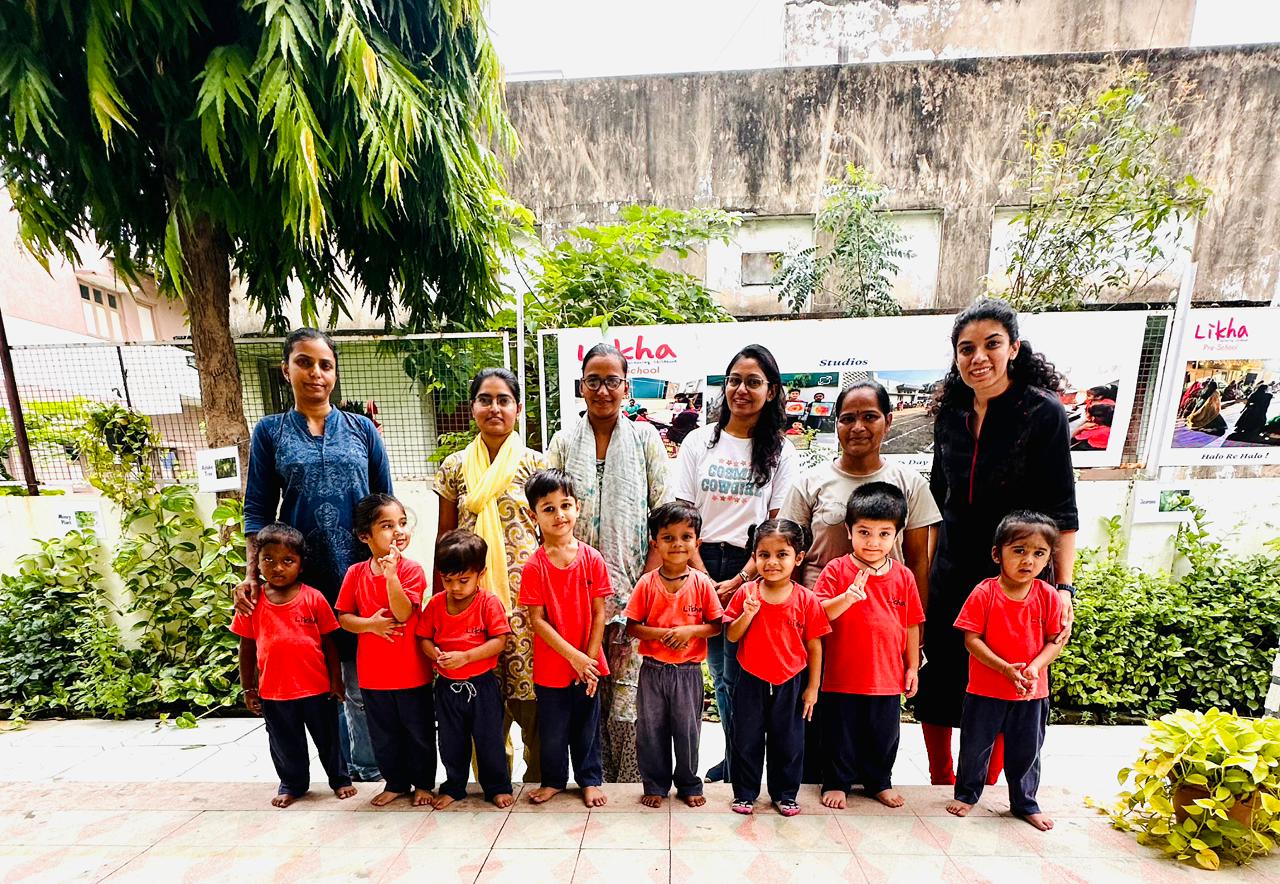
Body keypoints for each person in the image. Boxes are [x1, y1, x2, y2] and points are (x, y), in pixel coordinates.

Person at [915, 298, 1078, 788]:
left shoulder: (1042, 412)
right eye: (966, 349)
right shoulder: (950, 413)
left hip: (1017, 573)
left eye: (991, 344)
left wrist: (1063, 589)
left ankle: (985, 782)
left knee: (1008, 674)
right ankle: (941, 776)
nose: (978, 357)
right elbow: (938, 499)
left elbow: (1063, 510)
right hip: (953, 567)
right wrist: (925, 576)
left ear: (1014, 348)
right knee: (941, 673)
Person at [239, 328, 391, 783]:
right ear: (286, 370)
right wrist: (254, 574)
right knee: (319, 680)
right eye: (304, 362)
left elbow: (384, 503)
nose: (315, 373)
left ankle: (369, 767)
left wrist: (389, 567)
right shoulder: (270, 432)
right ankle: (337, 770)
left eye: (325, 364)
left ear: (335, 372)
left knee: (362, 679)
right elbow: (257, 510)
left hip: (357, 572)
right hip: (299, 578)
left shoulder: (362, 429)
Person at [670, 344, 799, 783]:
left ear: (771, 390)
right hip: (702, 560)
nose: (741, 390)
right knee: (720, 673)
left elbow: (777, 524)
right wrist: (705, 578)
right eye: (734, 381)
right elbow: (683, 515)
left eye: (753, 382)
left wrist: (744, 577)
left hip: (755, 563)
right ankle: (735, 756)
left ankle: (744, 758)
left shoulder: (781, 451)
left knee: (744, 671)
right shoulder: (699, 441)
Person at [546, 343, 668, 784]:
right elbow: (545, 510)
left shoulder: (645, 439)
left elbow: (663, 515)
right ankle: (590, 779)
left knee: (628, 693)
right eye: (593, 381)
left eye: (611, 381)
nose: (602, 390)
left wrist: (645, 587)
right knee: (584, 685)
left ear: (626, 386)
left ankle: (629, 782)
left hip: (632, 588)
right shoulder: (563, 442)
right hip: (573, 596)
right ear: (581, 386)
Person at [435, 367, 545, 783]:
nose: (494, 408)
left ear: (518, 408)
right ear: (473, 407)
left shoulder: (536, 464)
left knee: (533, 703)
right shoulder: (455, 467)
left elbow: (552, 535)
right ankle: (492, 783)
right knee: (481, 701)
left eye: (504, 400)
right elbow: (445, 539)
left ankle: (539, 784)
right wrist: (441, 605)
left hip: (526, 605)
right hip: (471, 607)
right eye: (485, 399)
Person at [946, 511, 1068, 832]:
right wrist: (1004, 668)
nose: (1028, 560)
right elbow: (972, 640)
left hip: (1031, 693)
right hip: (984, 691)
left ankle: (1025, 803)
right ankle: (967, 794)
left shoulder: (1048, 596)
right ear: (997, 554)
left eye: (1039, 553)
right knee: (975, 748)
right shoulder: (985, 593)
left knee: (1027, 752)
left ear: (1048, 559)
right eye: (1019, 550)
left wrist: (1034, 667)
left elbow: (1055, 641)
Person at [815, 484, 923, 810]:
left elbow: (911, 624)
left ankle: (879, 782)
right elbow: (818, 613)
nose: (873, 542)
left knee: (884, 735)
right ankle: (837, 782)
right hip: (841, 675)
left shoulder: (904, 576)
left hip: (887, 677)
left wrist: (913, 667)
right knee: (839, 733)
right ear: (849, 531)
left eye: (883, 534)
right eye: (864, 532)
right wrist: (847, 597)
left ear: (896, 535)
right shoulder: (837, 570)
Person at [232, 523, 355, 808]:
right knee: (285, 743)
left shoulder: (313, 598)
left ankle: (340, 779)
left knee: (329, 739)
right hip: (274, 692)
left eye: (287, 560)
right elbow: (246, 648)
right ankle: (292, 784)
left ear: (301, 565)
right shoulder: (253, 602)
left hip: (317, 689)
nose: (277, 567)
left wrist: (337, 681)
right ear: (257, 562)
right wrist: (249, 688)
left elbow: (329, 643)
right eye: (268, 559)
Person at [781, 380, 940, 591]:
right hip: (821, 606)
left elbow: (917, 561)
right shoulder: (808, 484)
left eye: (869, 417)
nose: (857, 427)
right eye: (847, 419)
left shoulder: (911, 484)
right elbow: (789, 556)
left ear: (888, 421)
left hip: (885, 607)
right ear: (837, 424)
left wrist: (917, 613)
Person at [723, 519, 830, 817]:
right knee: (746, 738)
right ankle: (745, 793)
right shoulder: (746, 593)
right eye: (764, 555)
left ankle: (785, 794)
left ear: (799, 557)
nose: (772, 562)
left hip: (791, 681)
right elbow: (732, 635)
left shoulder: (806, 599)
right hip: (750, 679)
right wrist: (747, 614)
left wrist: (812, 688)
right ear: (754, 557)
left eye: (782, 554)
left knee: (789, 741)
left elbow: (815, 646)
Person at [518, 469, 612, 808]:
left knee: (587, 727)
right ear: (534, 516)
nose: (559, 515)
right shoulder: (534, 566)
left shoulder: (592, 558)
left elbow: (599, 613)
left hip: (589, 663)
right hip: (552, 667)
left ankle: (590, 780)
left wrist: (588, 659)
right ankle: (554, 781)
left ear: (577, 507)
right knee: (553, 729)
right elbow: (537, 621)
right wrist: (574, 657)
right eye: (549, 508)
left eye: (565, 505)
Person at [336, 493, 435, 807]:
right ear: (365, 535)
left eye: (402, 523)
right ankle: (395, 783)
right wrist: (370, 625)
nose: (399, 531)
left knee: (418, 733)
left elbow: (403, 613)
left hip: (412, 673)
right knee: (384, 734)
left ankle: (423, 784)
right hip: (373, 676)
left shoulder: (411, 570)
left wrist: (391, 575)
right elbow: (344, 618)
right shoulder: (355, 574)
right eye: (388, 526)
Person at [625, 502, 724, 808]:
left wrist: (689, 632)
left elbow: (716, 626)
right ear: (655, 543)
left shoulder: (702, 583)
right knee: (650, 731)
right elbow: (632, 627)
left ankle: (689, 784)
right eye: (668, 538)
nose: (677, 544)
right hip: (652, 671)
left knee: (688, 732)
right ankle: (654, 784)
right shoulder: (647, 583)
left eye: (686, 537)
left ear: (698, 543)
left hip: (688, 673)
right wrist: (663, 635)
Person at [417, 529, 514, 809]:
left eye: (463, 580)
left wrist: (467, 657)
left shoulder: (488, 603)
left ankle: (497, 787)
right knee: (451, 743)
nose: (455, 587)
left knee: (489, 741)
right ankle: (454, 786)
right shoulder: (436, 604)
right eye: (447, 580)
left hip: (482, 686)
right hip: (447, 688)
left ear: (480, 574)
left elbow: (499, 641)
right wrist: (435, 654)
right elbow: (423, 638)